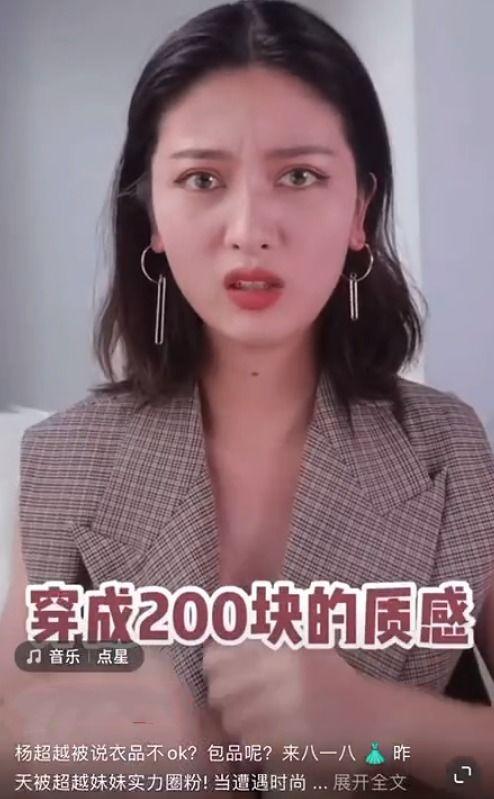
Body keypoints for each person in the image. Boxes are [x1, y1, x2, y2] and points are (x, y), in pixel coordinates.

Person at [1, 1, 493, 796]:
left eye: (299, 176)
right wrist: (98, 746)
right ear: (151, 215)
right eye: (202, 179)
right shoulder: (67, 459)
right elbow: (14, 736)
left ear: (360, 208)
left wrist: (383, 721)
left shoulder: (450, 448)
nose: (249, 228)